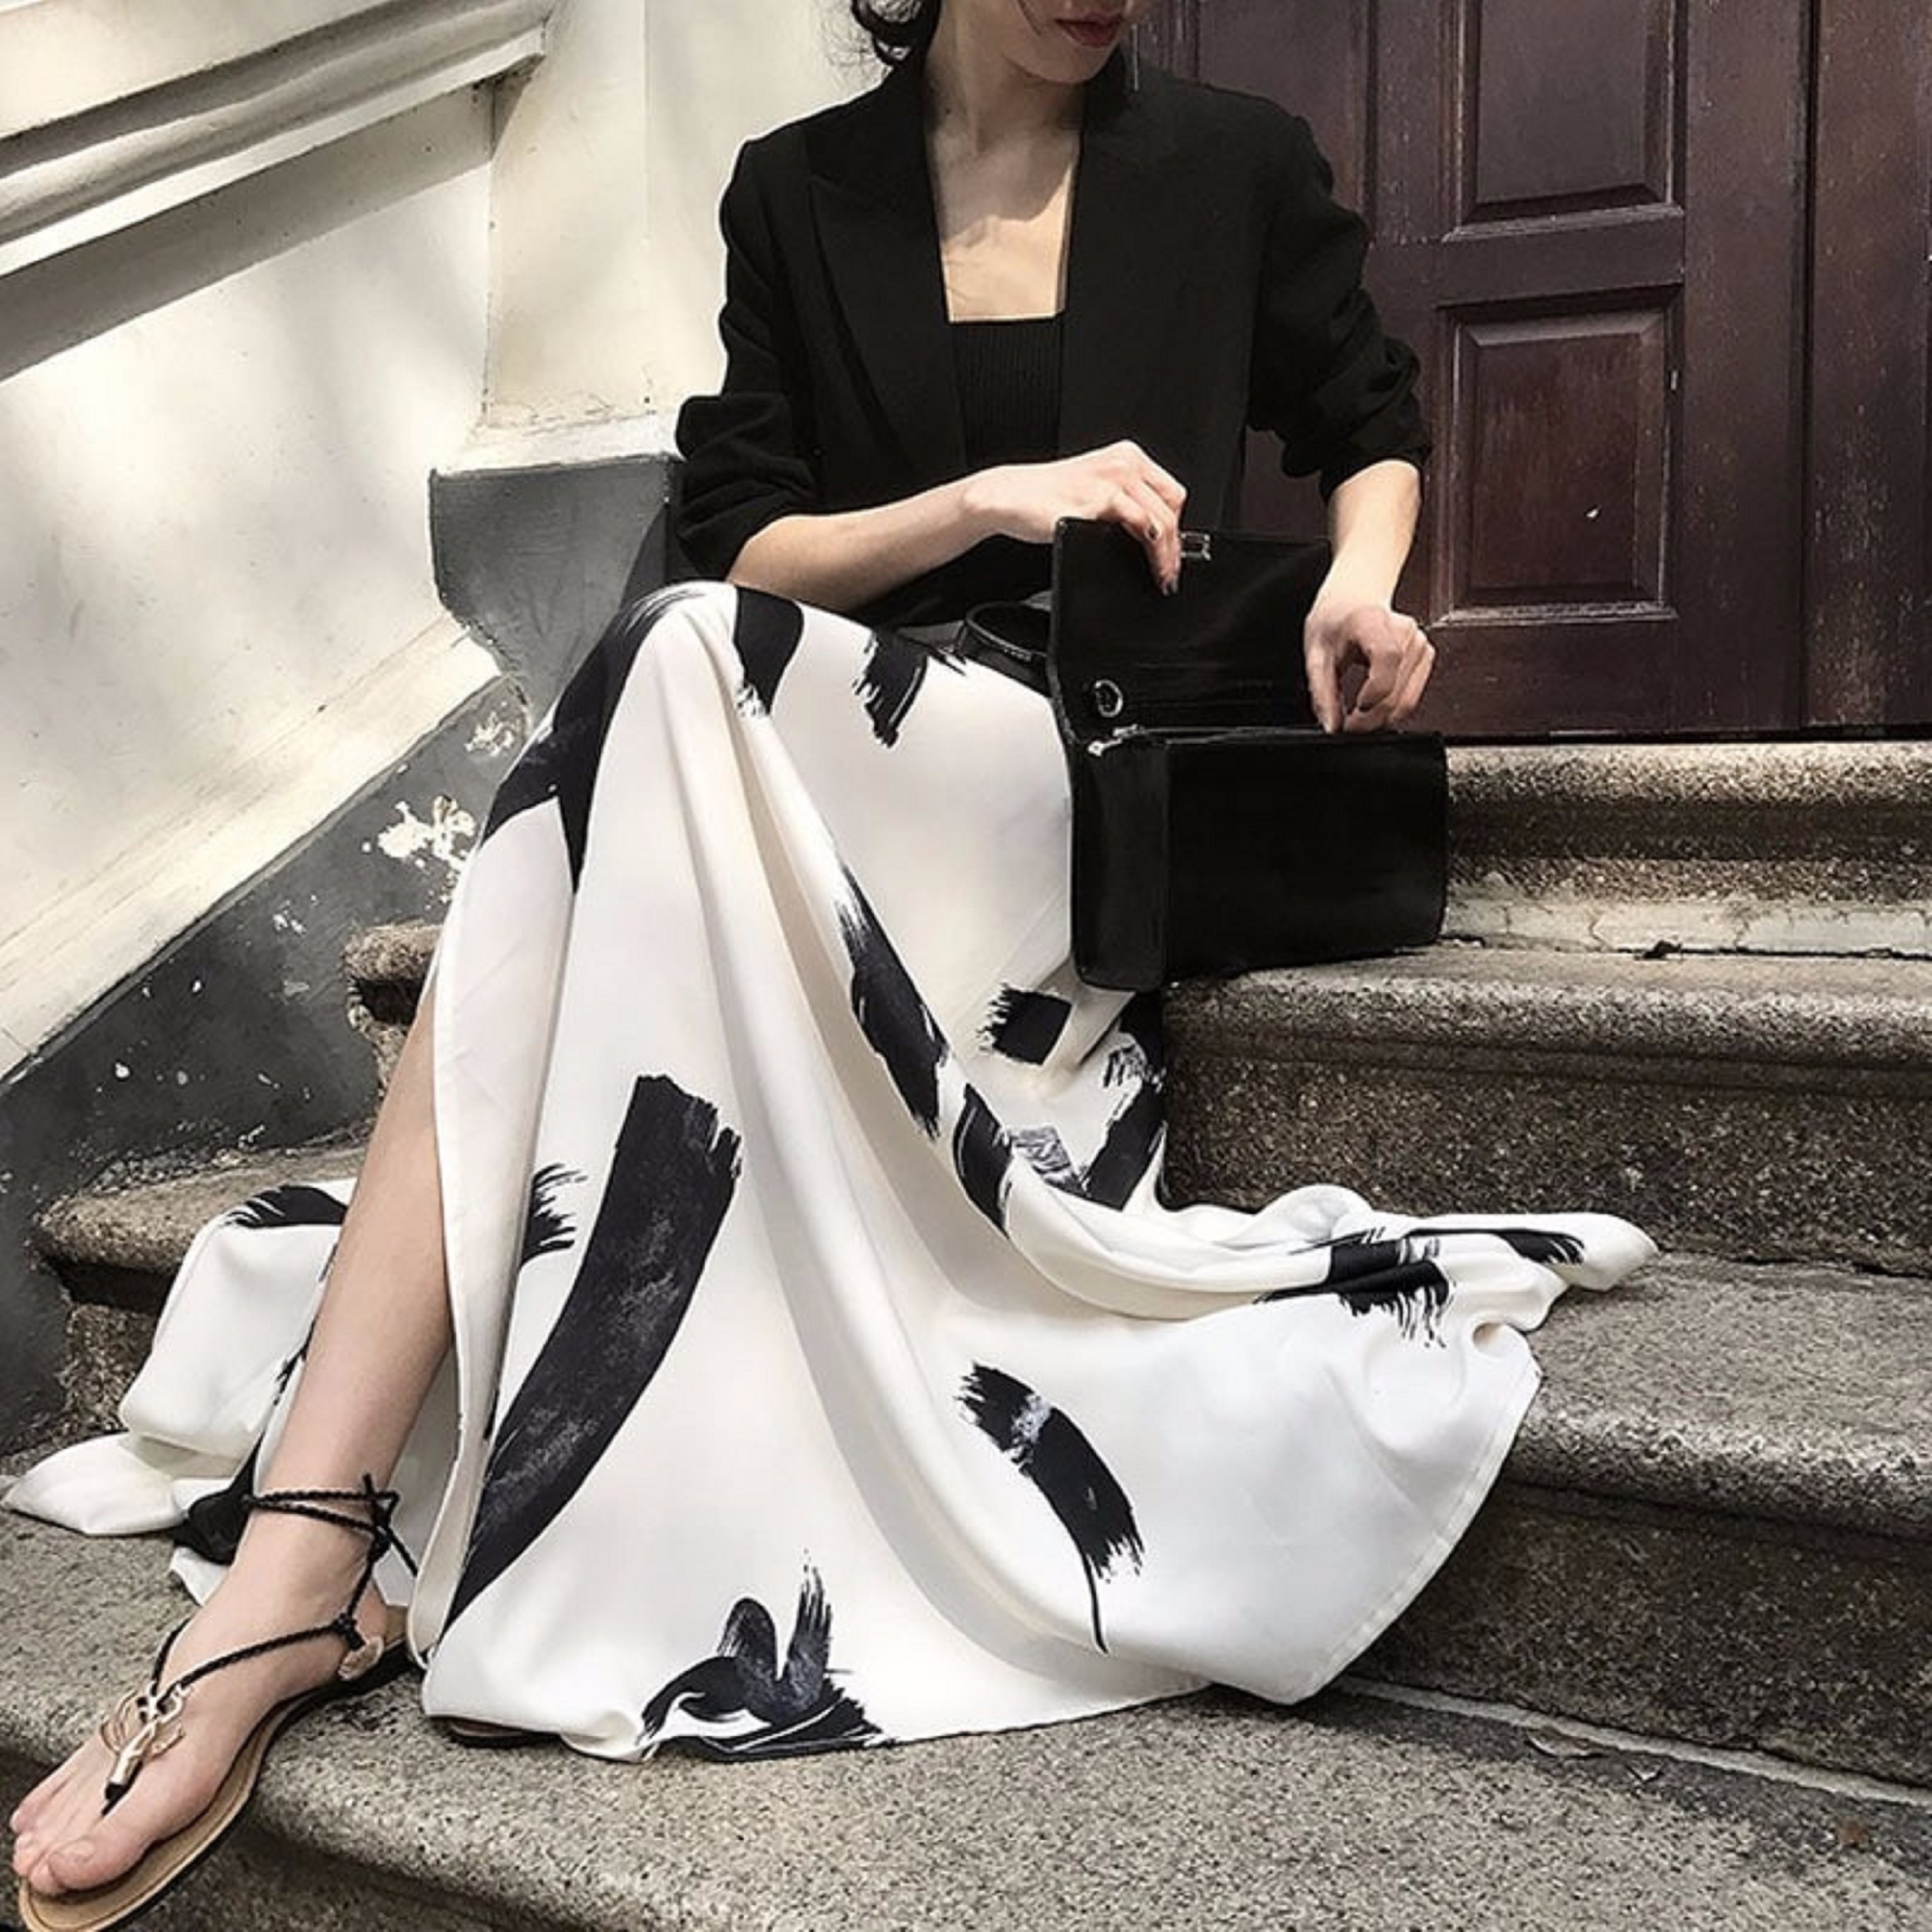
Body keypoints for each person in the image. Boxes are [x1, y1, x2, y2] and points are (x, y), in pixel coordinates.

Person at [8, 3, 1652, 1925]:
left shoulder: (1231, 161)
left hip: (1061, 775)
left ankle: (302, 1548)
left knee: (653, 675)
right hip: (815, 725)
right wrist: (985, 502)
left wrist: (1360, 587)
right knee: (672, 655)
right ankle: (305, 1555)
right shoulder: (797, 192)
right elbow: (741, 545)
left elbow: (1366, 424)